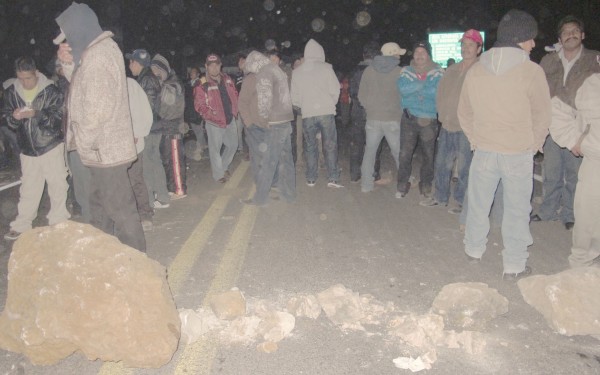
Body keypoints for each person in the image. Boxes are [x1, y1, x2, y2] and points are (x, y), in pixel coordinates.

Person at [458, 9, 551, 279]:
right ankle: (514, 265)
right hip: (517, 152)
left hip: (484, 150)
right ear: (520, 38)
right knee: (517, 210)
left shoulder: (476, 70)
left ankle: (473, 249)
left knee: (478, 203)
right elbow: (542, 113)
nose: (533, 44)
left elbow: (464, 111)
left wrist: (476, 139)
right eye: (531, 38)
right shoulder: (531, 71)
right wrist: (534, 143)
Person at [55, 2, 146, 252]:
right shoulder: (97, 52)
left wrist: (81, 140)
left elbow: (96, 109)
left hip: (105, 150)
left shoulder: (97, 56)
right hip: (102, 150)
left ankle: (137, 264)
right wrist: (69, 63)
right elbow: (83, 86)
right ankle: (103, 256)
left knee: (119, 209)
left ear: (79, 29)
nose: (68, 42)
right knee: (99, 207)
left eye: (69, 36)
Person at [531, 15, 600, 231]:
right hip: (552, 123)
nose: (570, 35)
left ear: (582, 35)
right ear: (560, 38)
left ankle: (570, 213)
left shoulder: (594, 59)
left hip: (580, 127)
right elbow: (538, 89)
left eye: (574, 31)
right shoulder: (548, 60)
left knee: (575, 173)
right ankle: (548, 210)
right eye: (565, 32)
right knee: (551, 170)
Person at [2, 57, 68, 241]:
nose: (24, 83)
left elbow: (58, 120)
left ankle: (58, 220)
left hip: (50, 144)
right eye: (20, 78)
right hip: (27, 148)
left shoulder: (51, 90)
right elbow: (7, 118)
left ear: (36, 73)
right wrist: (14, 118)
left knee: (57, 184)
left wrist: (36, 114)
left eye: (28, 78)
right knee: (29, 187)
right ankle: (22, 224)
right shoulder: (12, 92)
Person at [421, 29, 483, 212]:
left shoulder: (481, 70)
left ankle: (461, 201)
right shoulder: (452, 69)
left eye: (471, 45)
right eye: (463, 44)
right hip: (447, 124)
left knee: (465, 166)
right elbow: (441, 93)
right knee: (442, 163)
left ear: (479, 49)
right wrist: (442, 113)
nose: (466, 48)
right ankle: (440, 196)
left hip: (467, 127)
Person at [551, 72, 600, 267]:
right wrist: (574, 139)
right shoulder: (590, 82)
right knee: (588, 213)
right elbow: (558, 106)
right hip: (596, 159)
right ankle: (582, 262)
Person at [238, 51, 296, 206]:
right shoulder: (278, 70)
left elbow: (265, 100)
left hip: (275, 123)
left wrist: (265, 121)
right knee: (286, 160)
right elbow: (287, 96)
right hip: (286, 120)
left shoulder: (264, 73)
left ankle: (260, 199)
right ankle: (289, 195)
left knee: (268, 162)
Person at [291, 39, 342, 188]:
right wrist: (330, 104)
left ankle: (311, 177)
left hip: (308, 114)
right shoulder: (327, 68)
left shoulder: (297, 72)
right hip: (326, 112)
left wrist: (304, 106)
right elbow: (335, 89)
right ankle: (332, 177)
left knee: (310, 146)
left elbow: (294, 97)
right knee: (330, 145)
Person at [396, 41, 443, 198]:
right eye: (417, 52)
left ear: (428, 54)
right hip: (409, 119)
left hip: (429, 120)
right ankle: (402, 185)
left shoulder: (438, 71)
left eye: (423, 52)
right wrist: (424, 84)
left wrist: (415, 87)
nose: (419, 55)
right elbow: (403, 90)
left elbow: (436, 92)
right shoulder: (406, 70)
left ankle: (426, 184)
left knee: (428, 156)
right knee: (404, 154)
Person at [358, 42, 405, 194]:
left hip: (373, 118)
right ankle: (402, 187)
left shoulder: (369, 71)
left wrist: (370, 108)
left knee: (370, 152)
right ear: (393, 54)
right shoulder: (400, 72)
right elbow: (405, 96)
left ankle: (366, 185)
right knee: (398, 153)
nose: (399, 56)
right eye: (398, 53)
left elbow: (361, 96)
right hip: (392, 119)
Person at [125, 48, 169, 209]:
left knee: (148, 165)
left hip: (150, 128)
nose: (129, 65)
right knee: (154, 161)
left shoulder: (146, 80)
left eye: (131, 62)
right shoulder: (148, 78)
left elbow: (146, 109)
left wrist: (138, 129)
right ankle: (161, 197)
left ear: (137, 63)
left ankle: (151, 200)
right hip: (154, 126)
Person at [194, 53, 239, 183]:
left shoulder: (227, 78)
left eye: (216, 65)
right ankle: (218, 175)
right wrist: (211, 115)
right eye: (211, 66)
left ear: (220, 65)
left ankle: (223, 167)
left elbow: (234, 94)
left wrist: (235, 111)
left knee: (233, 145)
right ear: (206, 67)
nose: (214, 68)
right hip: (214, 122)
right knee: (215, 150)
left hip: (230, 119)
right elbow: (199, 105)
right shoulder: (202, 83)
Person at [151, 54, 187, 200]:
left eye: (155, 69)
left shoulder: (172, 85)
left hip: (172, 129)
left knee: (175, 160)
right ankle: (172, 188)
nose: (153, 73)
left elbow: (169, 111)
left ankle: (179, 189)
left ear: (162, 70)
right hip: (167, 128)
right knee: (168, 160)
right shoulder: (167, 84)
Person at [126, 77, 154, 231]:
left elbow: (144, 110)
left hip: (133, 142)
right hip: (111, 147)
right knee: (118, 184)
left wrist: (138, 132)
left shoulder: (130, 84)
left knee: (136, 180)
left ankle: (144, 214)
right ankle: (127, 217)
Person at [185, 66, 206, 159]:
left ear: (198, 74)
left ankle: (199, 148)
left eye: (193, 72)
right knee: (196, 129)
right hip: (190, 110)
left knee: (199, 130)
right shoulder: (188, 84)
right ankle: (203, 144)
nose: (191, 74)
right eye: (190, 72)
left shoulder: (201, 83)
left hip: (198, 110)